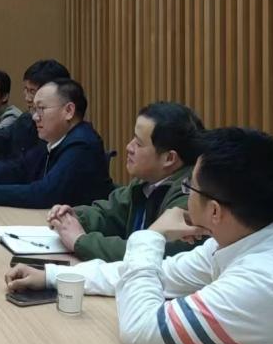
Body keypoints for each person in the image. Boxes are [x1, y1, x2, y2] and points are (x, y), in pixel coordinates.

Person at [6, 127, 273, 344]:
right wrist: (55, 275)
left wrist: (152, 235)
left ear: (215, 211)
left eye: (190, 185)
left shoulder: (266, 281)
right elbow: (161, 275)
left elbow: (141, 328)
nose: (185, 191)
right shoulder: (250, 238)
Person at [45, 101, 205, 261]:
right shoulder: (147, 182)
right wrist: (73, 216)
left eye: (139, 143)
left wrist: (81, 242)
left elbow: (147, 254)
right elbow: (109, 214)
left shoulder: (191, 197)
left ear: (169, 158)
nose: (129, 147)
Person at [0, 78, 114, 208]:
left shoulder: (82, 145)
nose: (35, 117)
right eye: (34, 109)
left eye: (41, 109)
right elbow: (20, 168)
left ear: (68, 111)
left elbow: (44, 193)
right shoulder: (55, 138)